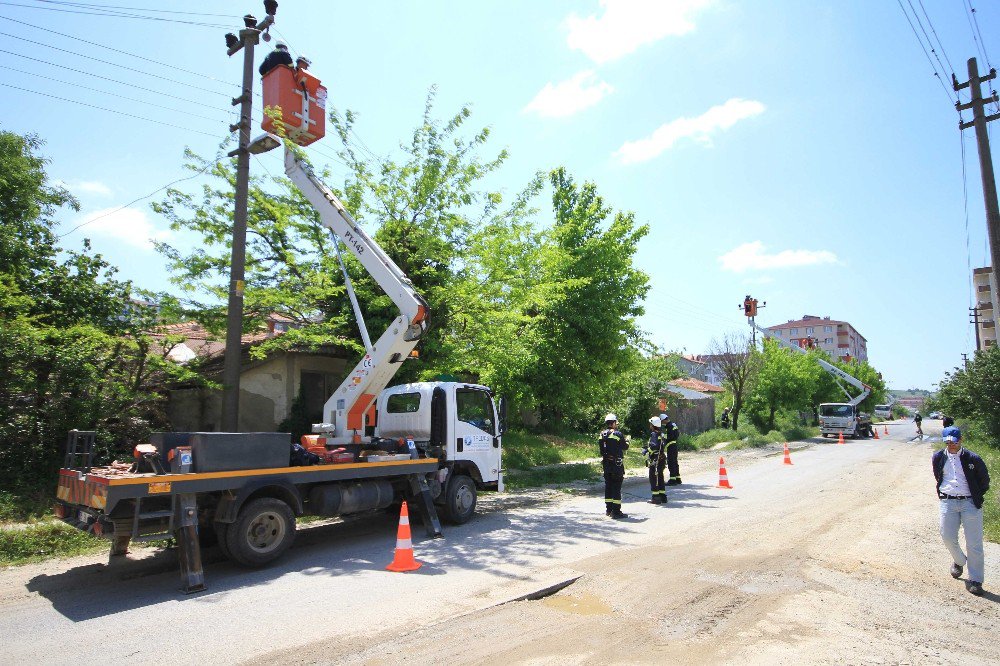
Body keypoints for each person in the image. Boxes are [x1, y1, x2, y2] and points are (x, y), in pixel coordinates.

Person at [933, 426, 991, 596]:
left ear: (961, 440)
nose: (951, 444)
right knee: (947, 536)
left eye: (954, 441)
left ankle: (976, 580)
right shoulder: (938, 457)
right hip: (948, 502)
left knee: (974, 543)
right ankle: (959, 561)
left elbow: (984, 480)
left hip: (970, 503)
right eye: (948, 441)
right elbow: (938, 475)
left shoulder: (973, 458)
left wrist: (975, 495)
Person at [598, 413, 629, 519]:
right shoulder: (617, 434)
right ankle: (616, 512)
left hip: (606, 464)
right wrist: (627, 440)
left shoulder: (602, 434)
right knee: (616, 487)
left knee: (608, 486)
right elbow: (625, 447)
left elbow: (602, 450)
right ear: (614, 423)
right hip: (617, 465)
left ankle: (609, 509)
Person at [643, 417, 667, 505]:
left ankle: (656, 498)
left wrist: (647, 450)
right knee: (660, 477)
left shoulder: (654, 434)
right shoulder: (661, 434)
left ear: (653, 425)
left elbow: (654, 446)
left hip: (655, 460)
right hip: (661, 459)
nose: (650, 425)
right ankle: (662, 497)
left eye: (650, 424)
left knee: (653, 478)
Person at [660, 412, 682, 485]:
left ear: (664, 420)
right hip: (674, 445)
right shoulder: (673, 424)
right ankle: (678, 478)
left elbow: (669, 436)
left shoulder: (668, 426)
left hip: (671, 446)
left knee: (671, 462)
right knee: (675, 462)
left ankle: (672, 480)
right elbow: (677, 434)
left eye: (662, 421)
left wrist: (663, 436)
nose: (662, 423)